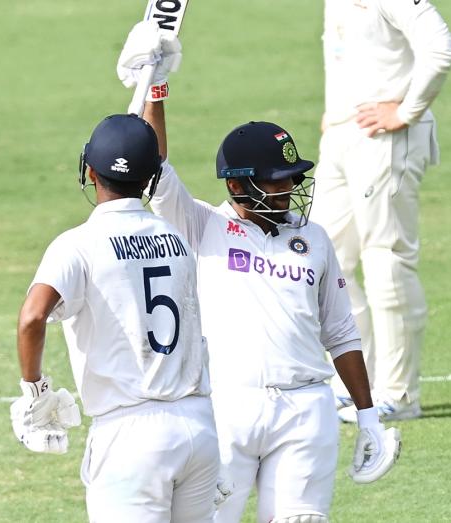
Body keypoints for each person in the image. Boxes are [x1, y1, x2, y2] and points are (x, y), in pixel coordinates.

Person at [116, 21, 402, 523]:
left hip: (307, 411)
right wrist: (155, 89)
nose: (289, 189)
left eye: (292, 178)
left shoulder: (313, 240)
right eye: (276, 181)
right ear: (240, 186)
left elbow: (341, 333)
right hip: (228, 409)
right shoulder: (202, 226)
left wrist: (367, 414)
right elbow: (156, 170)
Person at [9, 108, 221, 521]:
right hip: (198, 428)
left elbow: (32, 317)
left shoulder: (77, 245)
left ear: (89, 172)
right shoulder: (175, 237)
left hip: (130, 438)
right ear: (150, 178)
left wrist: (35, 390)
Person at [312, 0, 451, 422]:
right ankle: (357, 382)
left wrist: (407, 110)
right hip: (344, 135)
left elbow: (440, 47)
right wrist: (335, 112)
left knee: (386, 261)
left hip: (385, 139)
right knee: (328, 258)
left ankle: (399, 394)